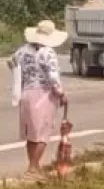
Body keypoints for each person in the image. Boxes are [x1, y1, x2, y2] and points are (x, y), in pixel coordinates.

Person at [8, 19, 68, 180]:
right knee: (42, 132)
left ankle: (33, 165)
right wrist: (61, 93)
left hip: (26, 92)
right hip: (43, 94)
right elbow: (53, 76)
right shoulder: (48, 53)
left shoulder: (22, 51)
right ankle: (33, 167)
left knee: (31, 133)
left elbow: (11, 62)